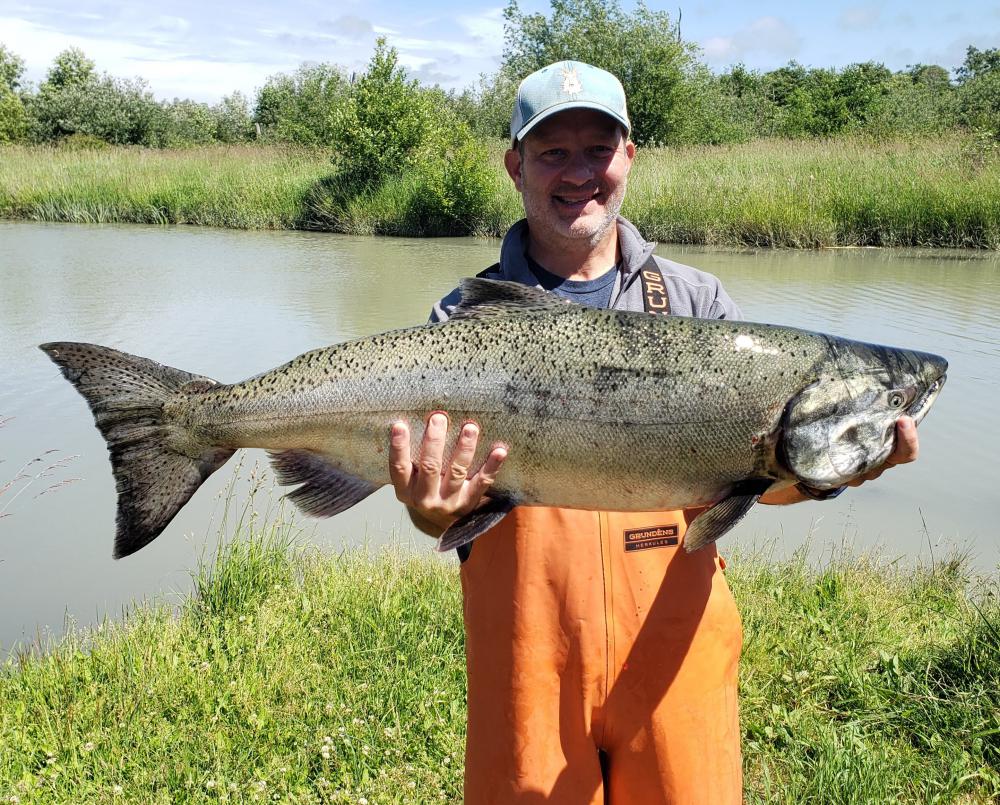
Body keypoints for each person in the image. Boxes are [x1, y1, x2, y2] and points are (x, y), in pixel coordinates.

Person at [387, 61, 920, 804]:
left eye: (598, 149)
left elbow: (760, 486)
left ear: (629, 157)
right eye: (552, 152)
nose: (579, 174)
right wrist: (428, 510)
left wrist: (832, 471)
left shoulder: (702, 304)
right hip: (529, 664)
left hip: (675, 663)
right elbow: (435, 505)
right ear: (516, 166)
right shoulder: (462, 321)